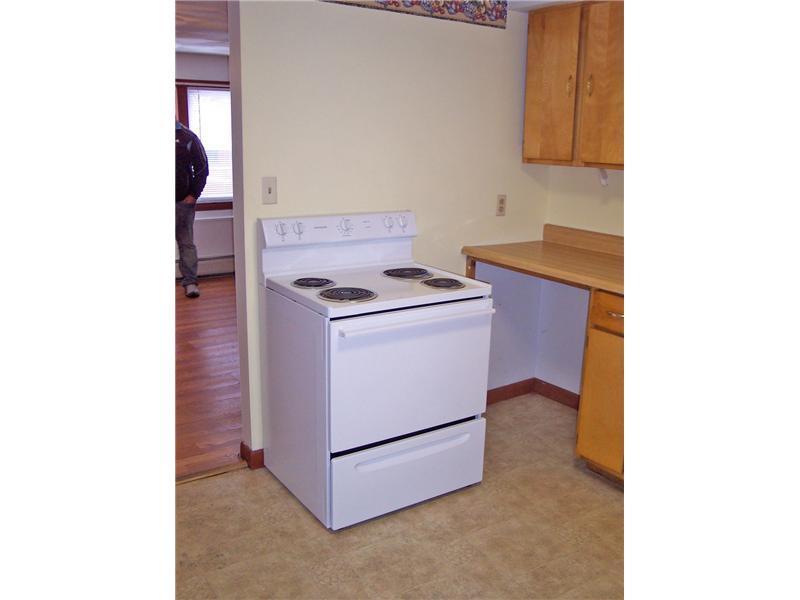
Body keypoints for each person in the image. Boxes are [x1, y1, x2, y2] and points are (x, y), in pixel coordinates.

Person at [175, 120, 209, 298]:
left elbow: (202, 168)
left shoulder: (188, 138)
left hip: (182, 203)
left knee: (186, 243)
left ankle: (190, 282)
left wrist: (193, 195)